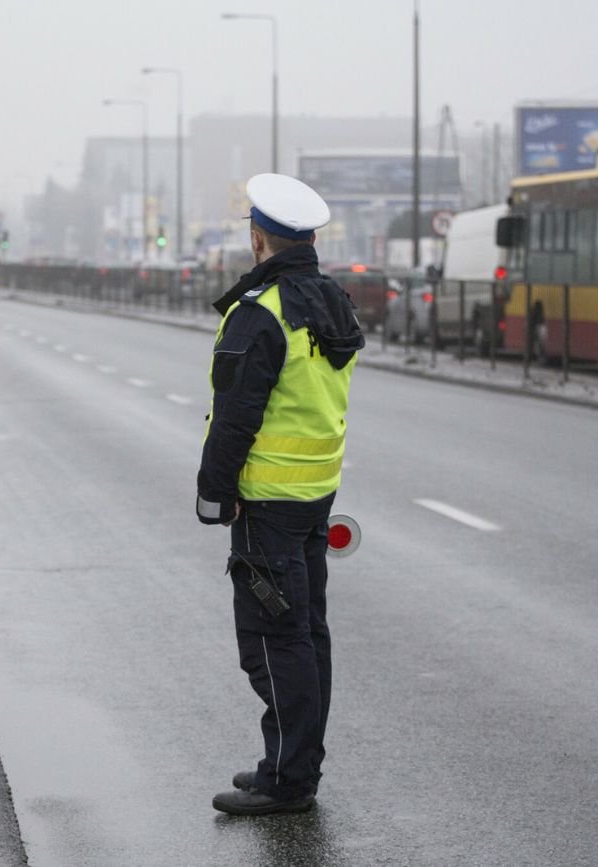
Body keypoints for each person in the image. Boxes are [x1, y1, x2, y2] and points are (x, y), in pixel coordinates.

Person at [197, 173, 364, 817]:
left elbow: (235, 415)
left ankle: (289, 783)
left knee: (273, 642)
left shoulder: (260, 312)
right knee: (306, 635)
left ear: (258, 238)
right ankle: (288, 764)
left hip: (265, 501)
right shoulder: (332, 301)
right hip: (314, 494)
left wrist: (216, 492)